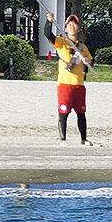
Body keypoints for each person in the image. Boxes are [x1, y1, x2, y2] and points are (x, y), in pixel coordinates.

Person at [44, 12, 94, 145]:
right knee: (64, 111)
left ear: (78, 29)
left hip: (79, 84)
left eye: (75, 25)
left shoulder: (82, 47)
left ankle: (84, 139)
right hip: (65, 84)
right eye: (69, 25)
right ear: (65, 28)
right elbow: (48, 34)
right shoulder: (61, 42)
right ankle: (63, 139)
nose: (72, 27)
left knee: (81, 112)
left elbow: (90, 62)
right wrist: (49, 21)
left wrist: (87, 61)